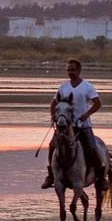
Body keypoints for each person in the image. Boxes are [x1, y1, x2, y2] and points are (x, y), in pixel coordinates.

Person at [42, 58, 102, 189]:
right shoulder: (63, 87)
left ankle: (101, 177)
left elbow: (98, 103)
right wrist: (54, 117)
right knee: (52, 145)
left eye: (73, 70)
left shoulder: (87, 87)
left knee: (92, 147)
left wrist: (86, 115)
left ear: (79, 70)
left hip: (83, 125)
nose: (70, 72)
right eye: (68, 70)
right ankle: (51, 175)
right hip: (65, 126)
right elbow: (53, 104)